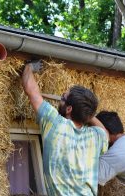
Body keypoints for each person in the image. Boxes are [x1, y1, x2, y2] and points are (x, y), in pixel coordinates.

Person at [21, 62, 109, 195]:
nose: (60, 98)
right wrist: (87, 113)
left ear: (69, 109)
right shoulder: (97, 136)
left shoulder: (55, 123)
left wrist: (29, 67)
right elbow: (105, 132)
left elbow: (30, 89)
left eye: (63, 98)